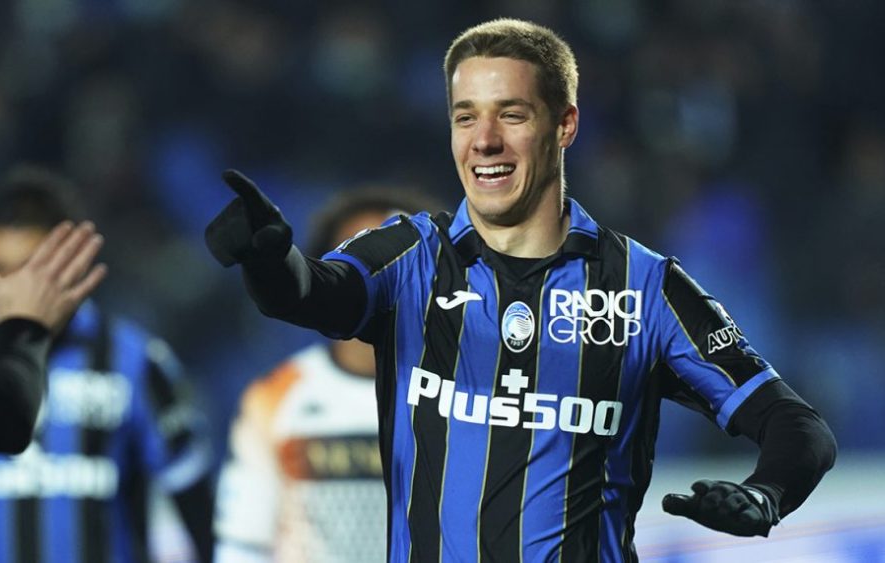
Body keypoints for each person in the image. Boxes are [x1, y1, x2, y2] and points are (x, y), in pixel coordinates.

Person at [205, 18, 837, 561]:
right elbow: (310, 294)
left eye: (511, 114)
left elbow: (796, 425)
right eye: (465, 117)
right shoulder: (409, 256)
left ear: (565, 125)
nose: (484, 141)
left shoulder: (644, 288)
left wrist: (766, 494)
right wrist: (267, 259)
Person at [0, 167, 214, 563]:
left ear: (76, 260)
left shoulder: (136, 362)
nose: (11, 291)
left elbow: (194, 499)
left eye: (29, 271)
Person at [213, 188, 438, 563]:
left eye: (401, 260)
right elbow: (243, 545)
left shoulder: (469, 394)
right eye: (363, 260)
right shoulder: (276, 397)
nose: (383, 275)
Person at [0, 220, 106, 454]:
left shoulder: (131, 355)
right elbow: (6, 425)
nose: (13, 286)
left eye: (27, 269)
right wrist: (24, 328)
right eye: (1, 268)